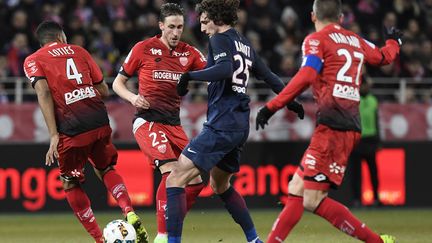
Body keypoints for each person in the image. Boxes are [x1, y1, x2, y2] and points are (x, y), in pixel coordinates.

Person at [255, 0, 402, 242]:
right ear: (341, 17)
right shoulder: (356, 40)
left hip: (333, 128)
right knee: (297, 189)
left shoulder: (315, 40)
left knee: (312, 200)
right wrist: (393, 42)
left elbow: (308, 74)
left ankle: (377, 241)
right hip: (345, 126)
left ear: (313, 16)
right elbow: (383, 57)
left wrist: (273, 105)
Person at [166, 1, 304, 243]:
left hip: (222, 124)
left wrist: (189, 76)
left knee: (175, 176)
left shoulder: (220, 39)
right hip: (240, 125)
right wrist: (289, 100)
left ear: (218, 18)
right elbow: (268, 75)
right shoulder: (243, 42)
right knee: (219, 185)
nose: (202, 26)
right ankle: (254, 240)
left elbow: (224, 69)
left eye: (205, 20)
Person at [23, 21, 149, 243]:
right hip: (98, 119)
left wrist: (53, 134)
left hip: (72, 129)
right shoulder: (79, 51)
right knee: (106, 167)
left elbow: (42, 91)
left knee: (70, 182)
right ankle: (128, 210)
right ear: (62, 37)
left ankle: (99, 239)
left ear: (41, 41)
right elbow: (103, 90)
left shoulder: (34, 60)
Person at [112, 3, 206, 243]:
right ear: (161, 26)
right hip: (148, 121)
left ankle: (171, 221)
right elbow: (117, 83)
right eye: (171, 27)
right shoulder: (143, 48)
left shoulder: (190, 53)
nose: (176, 32)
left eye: (180, 27)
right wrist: (133, 97)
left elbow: (214, 73)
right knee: (172, 173)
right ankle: (164, 236)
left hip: (174, 125)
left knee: (195, 180)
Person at [349, 78, 381, 207]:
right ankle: (357, 199)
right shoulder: (353, 99)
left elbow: (377, 121)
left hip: (370, 140)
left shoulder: (374, 100)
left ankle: (376, 198)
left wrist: (379, 140)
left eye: (366, 85)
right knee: (356, 173)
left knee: (373, 172)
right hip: (357, 140)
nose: (364, 87)